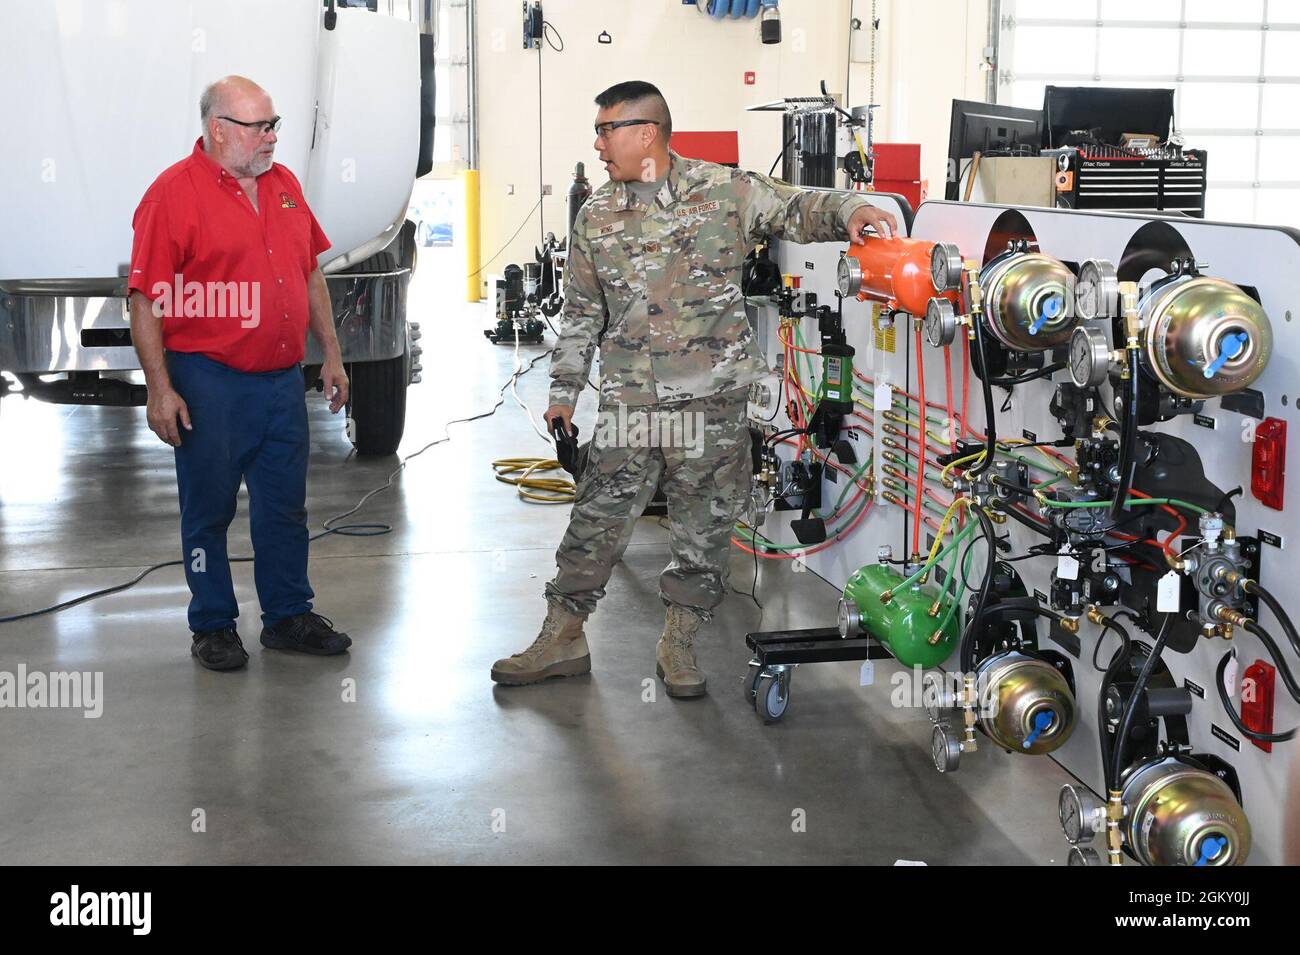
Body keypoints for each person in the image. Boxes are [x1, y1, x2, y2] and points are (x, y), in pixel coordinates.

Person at [491, 80, 896, 697]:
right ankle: (563, 635)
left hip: (712, 404)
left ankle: (678, 642)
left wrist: (851, 211)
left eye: (607, 130)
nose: (597, 144)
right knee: (597, 521)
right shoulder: (595, 216)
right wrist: (565, 390)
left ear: (645, 132)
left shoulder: (722, 191)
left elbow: (794, 206)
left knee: (703, 530)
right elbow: (580, 313)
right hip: (632, 403)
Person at [127, 75, 352, 671]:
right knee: (209, 511)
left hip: (281, 381)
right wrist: (160, 388)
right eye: (260, 127)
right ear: (218, 130)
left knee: (284, 508)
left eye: (274, 124)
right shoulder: (171, 195)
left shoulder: (284, 187)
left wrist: (330, 353)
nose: (272, 137)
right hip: (210, 380)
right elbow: (145, 298)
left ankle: (286, 615)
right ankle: (213, 624)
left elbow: (309, 274)